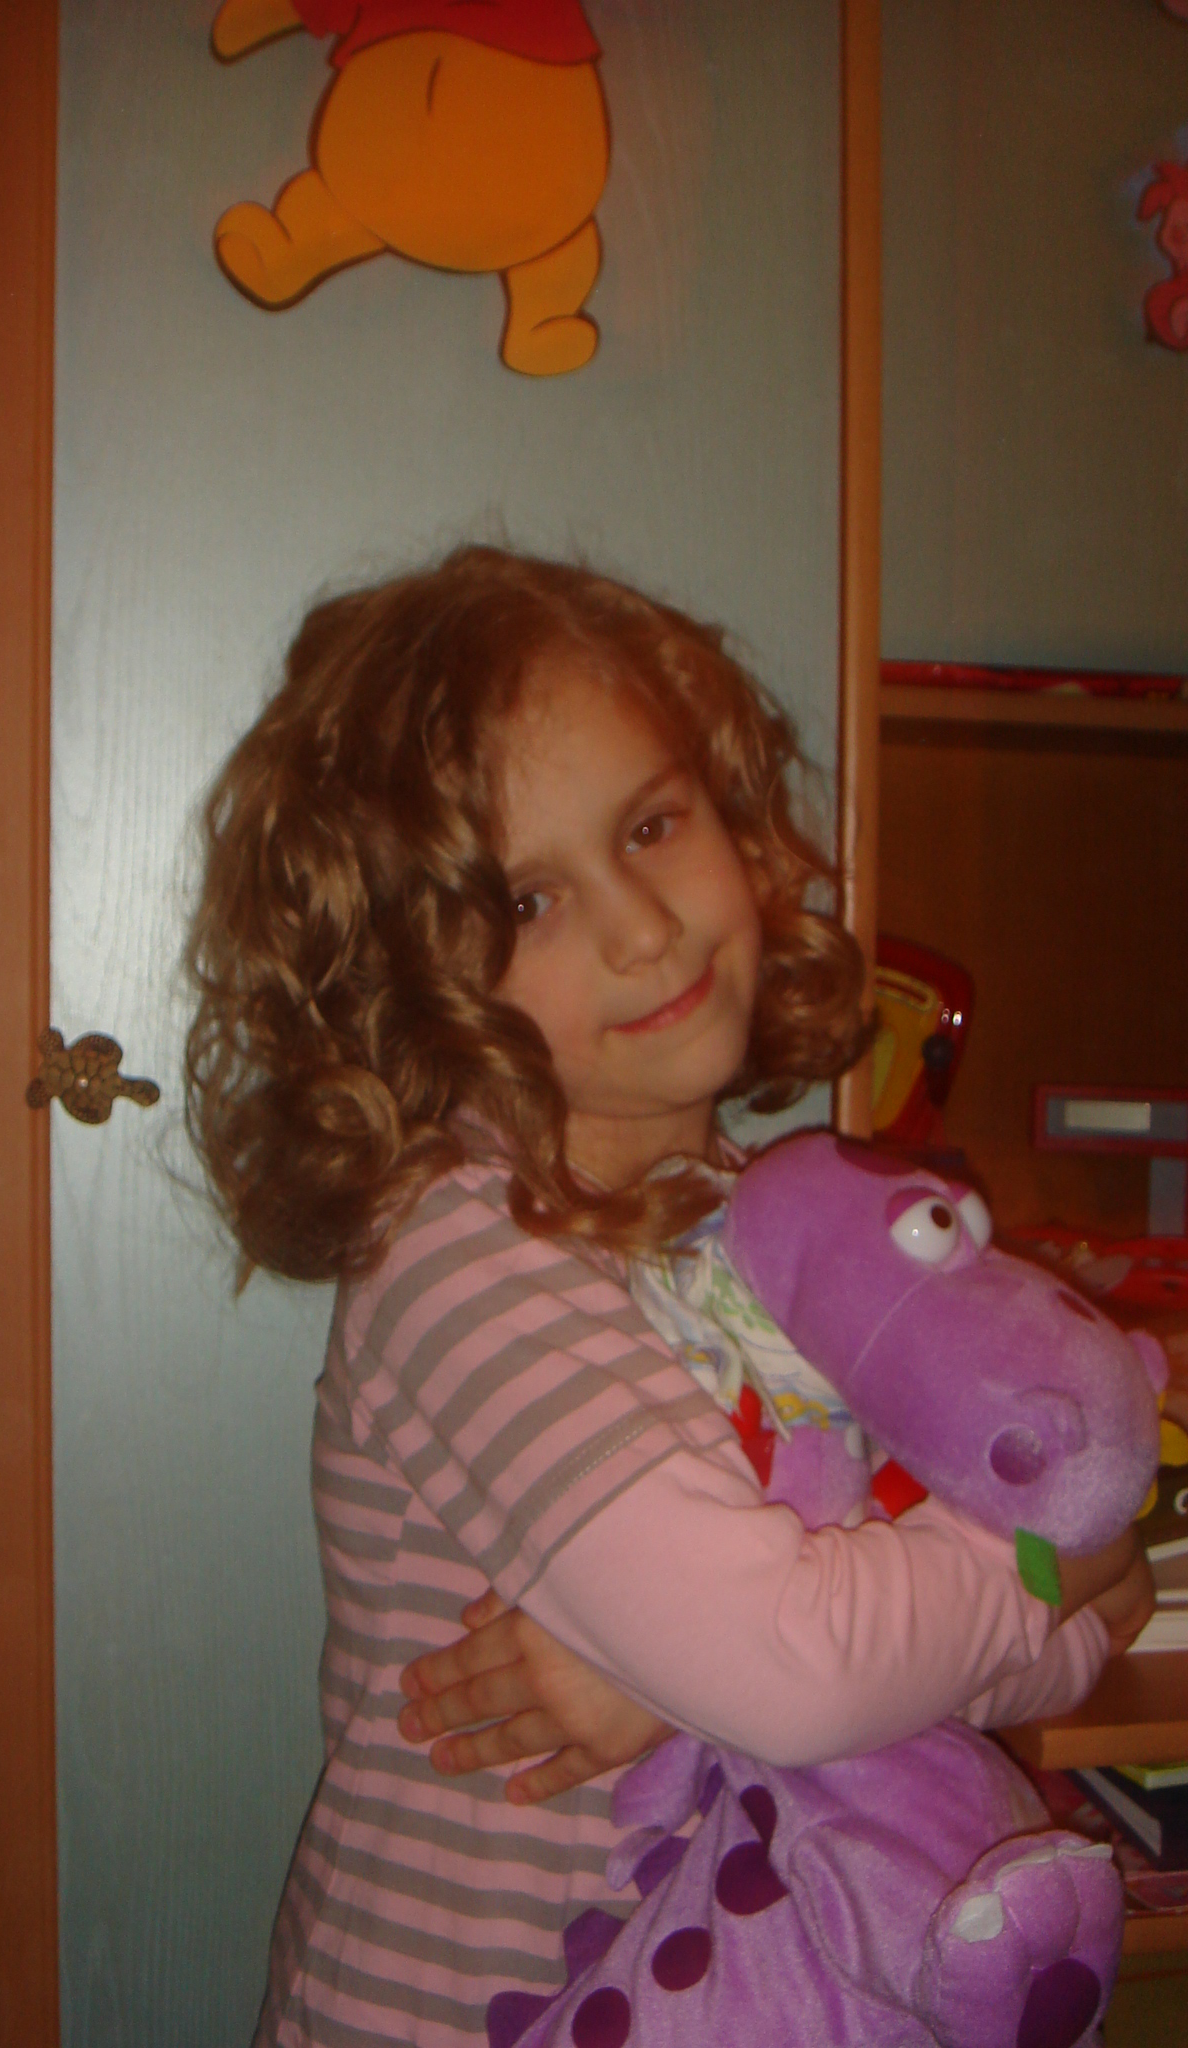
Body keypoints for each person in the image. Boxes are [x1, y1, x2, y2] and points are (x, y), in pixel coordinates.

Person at [183, 545, 1151, 2048]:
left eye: (652, 824)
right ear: (412, 982)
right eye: (529, 899)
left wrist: (726, 1675)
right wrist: (1019, 1575)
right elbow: (819, 1667)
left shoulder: (778, 1231)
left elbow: (1074, 1587)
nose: (641, 927)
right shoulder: (465, 1247)